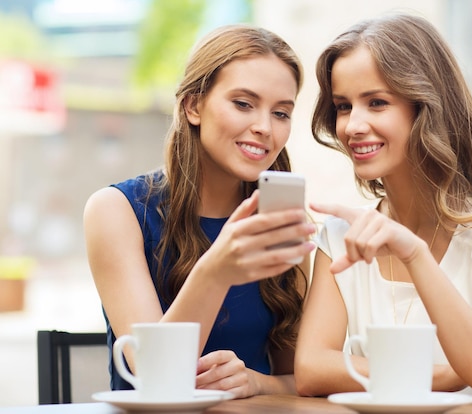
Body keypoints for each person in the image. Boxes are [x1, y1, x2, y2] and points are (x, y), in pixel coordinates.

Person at [294, 13, 472, 411]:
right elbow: (310, 369)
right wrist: (451, 372)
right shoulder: (343, 234)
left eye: (377, 103)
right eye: (343, 106)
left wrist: (413, 253)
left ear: (426, 107)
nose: (353, 125)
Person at [83, 24, 316, 399]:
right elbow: (155, 376)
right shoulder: (117, 211)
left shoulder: (284, 227)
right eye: (243, 104)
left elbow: (303, 380)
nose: (264, 128)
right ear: (193, 106)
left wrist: (258, 382)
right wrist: (217, 269)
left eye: (281, 113)